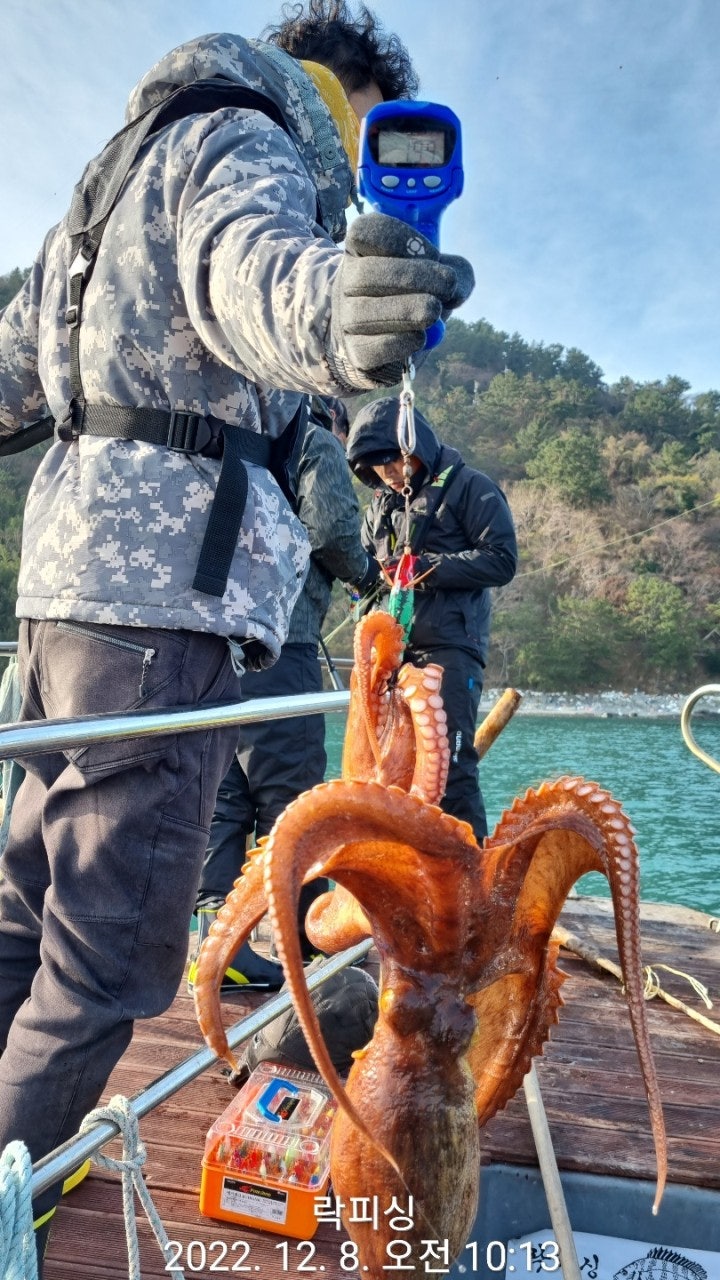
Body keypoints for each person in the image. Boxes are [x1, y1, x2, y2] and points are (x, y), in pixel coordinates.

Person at [0, 1, 474, 1259]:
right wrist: (339, 311)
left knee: (21, 913)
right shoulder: (252, 138)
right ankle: (5, 1193)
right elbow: (253, 268)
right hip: (163, 616)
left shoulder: (102, 188)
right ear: (329, 93)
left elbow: (13, 372)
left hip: (55, 606)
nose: (356, 186)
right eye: (362, 145)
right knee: (106, 961)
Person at [190, 396, 375, 992]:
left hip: (213, 644)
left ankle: (220, 948)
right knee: (293, 800)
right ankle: (308, 948)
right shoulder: (312, 439)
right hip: (279, 643)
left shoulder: (228, 435)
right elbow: (333, 529)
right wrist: (369, 577)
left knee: (224, 797)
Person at [346, 397, 517, 842]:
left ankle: (472, 873)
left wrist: (427, 567)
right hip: (391, 655)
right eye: (375, 464)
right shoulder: (379, 507)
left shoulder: (471, 487)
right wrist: (362, 592)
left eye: (393, 459)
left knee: (453, 767)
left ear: (416, 446)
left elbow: (502, 559)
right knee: (391, 770)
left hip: (450, 648)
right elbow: (363, 570)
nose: (387, 471)